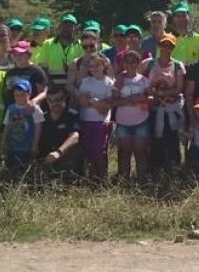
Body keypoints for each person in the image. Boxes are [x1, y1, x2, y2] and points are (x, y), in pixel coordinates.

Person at [141, 34, 187, 173]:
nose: (166, 48)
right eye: (163, 45)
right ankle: (155, 169)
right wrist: (152, 94)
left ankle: (173, 168)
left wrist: (160, 94)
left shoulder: (178, 65)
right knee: (155, 138)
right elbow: (142, 82)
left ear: (173, 47)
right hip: (154, 108)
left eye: (169, 46)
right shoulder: (149, 63)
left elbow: (179, 88)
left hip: (171, 109)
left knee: (172, 138)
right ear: (159, 46)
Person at [112, 50, 151, 181]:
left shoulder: (144, 80)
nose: (130, 64)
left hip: (141, 120)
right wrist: (128, 100)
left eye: (133, 61)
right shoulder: (118, 79)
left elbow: (152, 99)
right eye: (127, 61)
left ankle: (142, 180)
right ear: (123, 63)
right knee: (124, 153)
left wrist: (142, 98)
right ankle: (123, 180)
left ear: (138, 63)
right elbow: (112, 101)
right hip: (123, 121)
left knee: (141, 153)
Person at [77, 52, 115, 181]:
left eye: (97, 65)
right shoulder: (85, 81)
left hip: (101, 122)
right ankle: (91, 177)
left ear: (104, 66)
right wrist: (97, 104)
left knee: (100, 151)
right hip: (85, 120)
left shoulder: (109, 83)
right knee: (88, 150)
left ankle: (102, 178)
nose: (94, 68)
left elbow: (107, 106)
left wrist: (91, 101)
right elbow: (81, 101)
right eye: (91, 66)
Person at [1, 79, 43, 177]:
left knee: (26, 172)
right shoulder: (11, 108)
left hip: (27, 147)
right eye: (17, 95)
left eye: (23, 95)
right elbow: (7, 126)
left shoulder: (35, 109)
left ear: (29, 94)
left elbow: (38, 128)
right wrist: (3, 143)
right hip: (12, 146)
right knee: (12, 171)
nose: (20, 98)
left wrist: (35, 145)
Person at [33, 14, 82, 95]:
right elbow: (42, 67)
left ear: (74, 28)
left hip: (73, 87)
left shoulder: (80, 45)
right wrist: (50, 84)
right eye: (65, 24)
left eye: (70, 25)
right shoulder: (47, 43)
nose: (67, 28)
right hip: (52, 86)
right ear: (60, 26)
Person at [38, 91, 83, 180]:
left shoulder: (72, 114)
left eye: (58, 99)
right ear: (47, 102)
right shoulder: (43, 117)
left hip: (65, 155)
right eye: (51, 100)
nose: (55, 103)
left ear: (65, 99)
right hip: (47, 156)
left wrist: (59, 152)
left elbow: (75, 136)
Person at [4, 41, 49, 109]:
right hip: (13, 112)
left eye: (21, 54)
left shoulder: (36, 71)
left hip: (31, 111)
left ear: (28, 55)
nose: (18, 57)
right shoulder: (10, 73)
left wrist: (34, 101)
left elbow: (44, 92)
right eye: (15, 54)